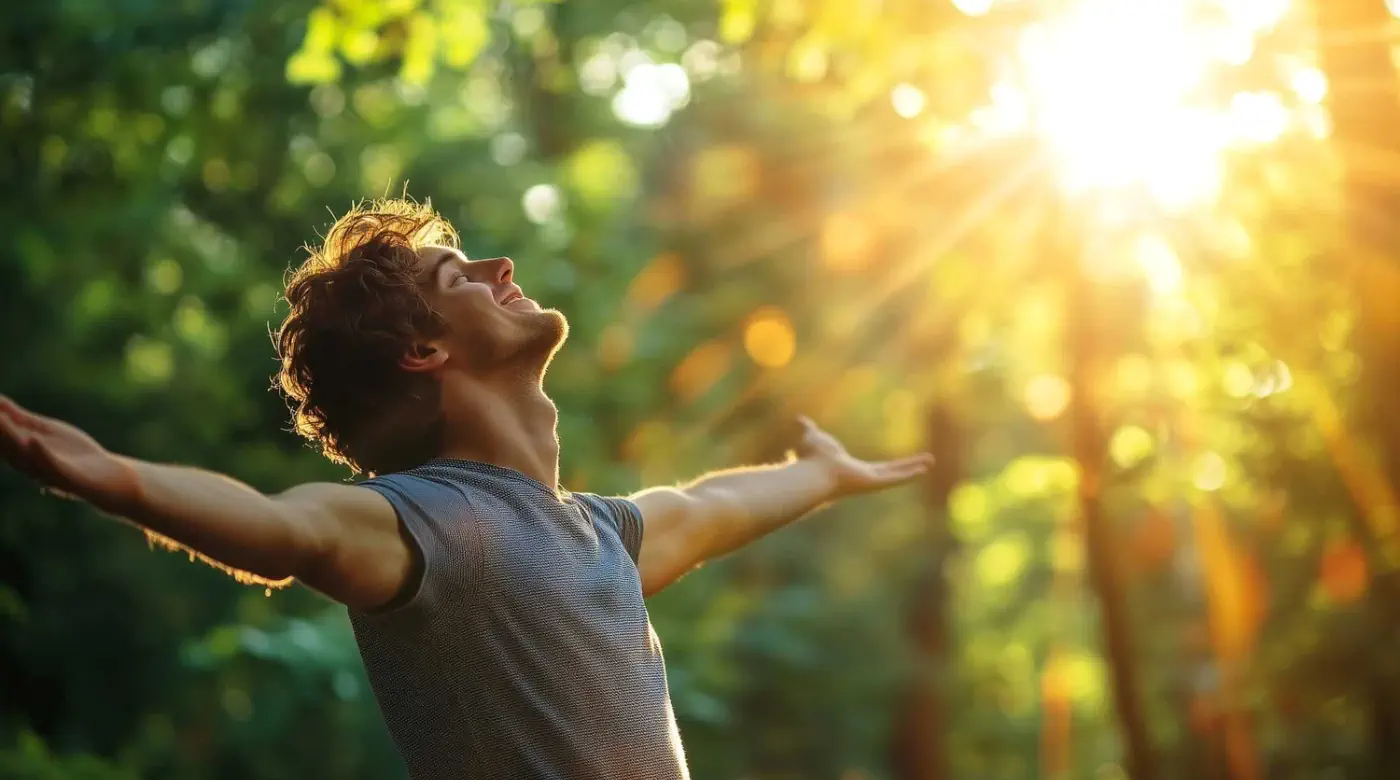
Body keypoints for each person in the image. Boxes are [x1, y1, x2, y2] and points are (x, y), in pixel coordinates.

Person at [0, 198, 933, 780]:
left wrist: (821, 474)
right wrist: (100, 474)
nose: (503, 269)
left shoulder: (603, 536)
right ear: (425, 351)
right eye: (464, 275)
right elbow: (284, 529)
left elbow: (712, 508)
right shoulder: (427, 526)